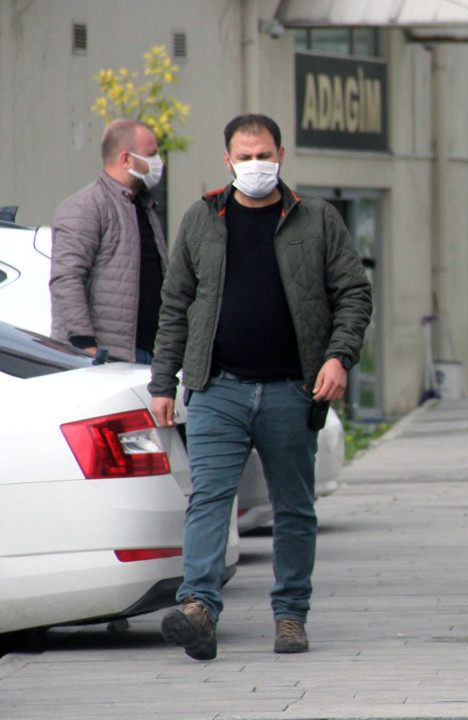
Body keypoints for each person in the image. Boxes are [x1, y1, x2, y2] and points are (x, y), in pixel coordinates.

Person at [148, 114, 372, 659]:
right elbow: (175, 303)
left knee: (293, 507)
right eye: (244, 157)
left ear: (281, 153)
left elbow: (354, 294)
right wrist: (163, 381)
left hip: (291, 390)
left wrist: (339, 358)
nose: (255, 165)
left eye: (264, 154)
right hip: (216, 387)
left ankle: (291, 615)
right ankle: (199, 606)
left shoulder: (317, 218)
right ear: (227, 160)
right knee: (208, 500)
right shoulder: (202, 219)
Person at [51, 118, 166, 364]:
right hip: (104, 358)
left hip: (141, 354)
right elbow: (67, 279)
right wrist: (85, 346)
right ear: (126, 159)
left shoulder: (143, 206)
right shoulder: (86, 206)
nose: (158, 163)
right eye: (152, 154)